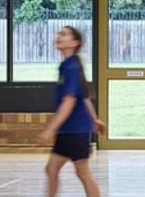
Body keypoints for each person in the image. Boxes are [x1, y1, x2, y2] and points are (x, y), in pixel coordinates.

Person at [38, 25, 107, 197]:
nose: (58, 36)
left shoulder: (71, 67)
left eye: (64, 34)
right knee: (51, 170)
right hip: (67, 130)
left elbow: (69, 102)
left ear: (74, 42)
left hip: (75, 130)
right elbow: (84, 97)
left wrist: (49, 130)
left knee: (82, 172)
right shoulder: (68, 65)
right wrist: (95, 120)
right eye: (59, 33)